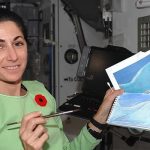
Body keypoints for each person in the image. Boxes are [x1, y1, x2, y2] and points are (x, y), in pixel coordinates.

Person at [0, 8, 124, 150]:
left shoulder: (37, 89)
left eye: (18, 43)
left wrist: (100, 117)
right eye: (0, 46)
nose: (13, 56)